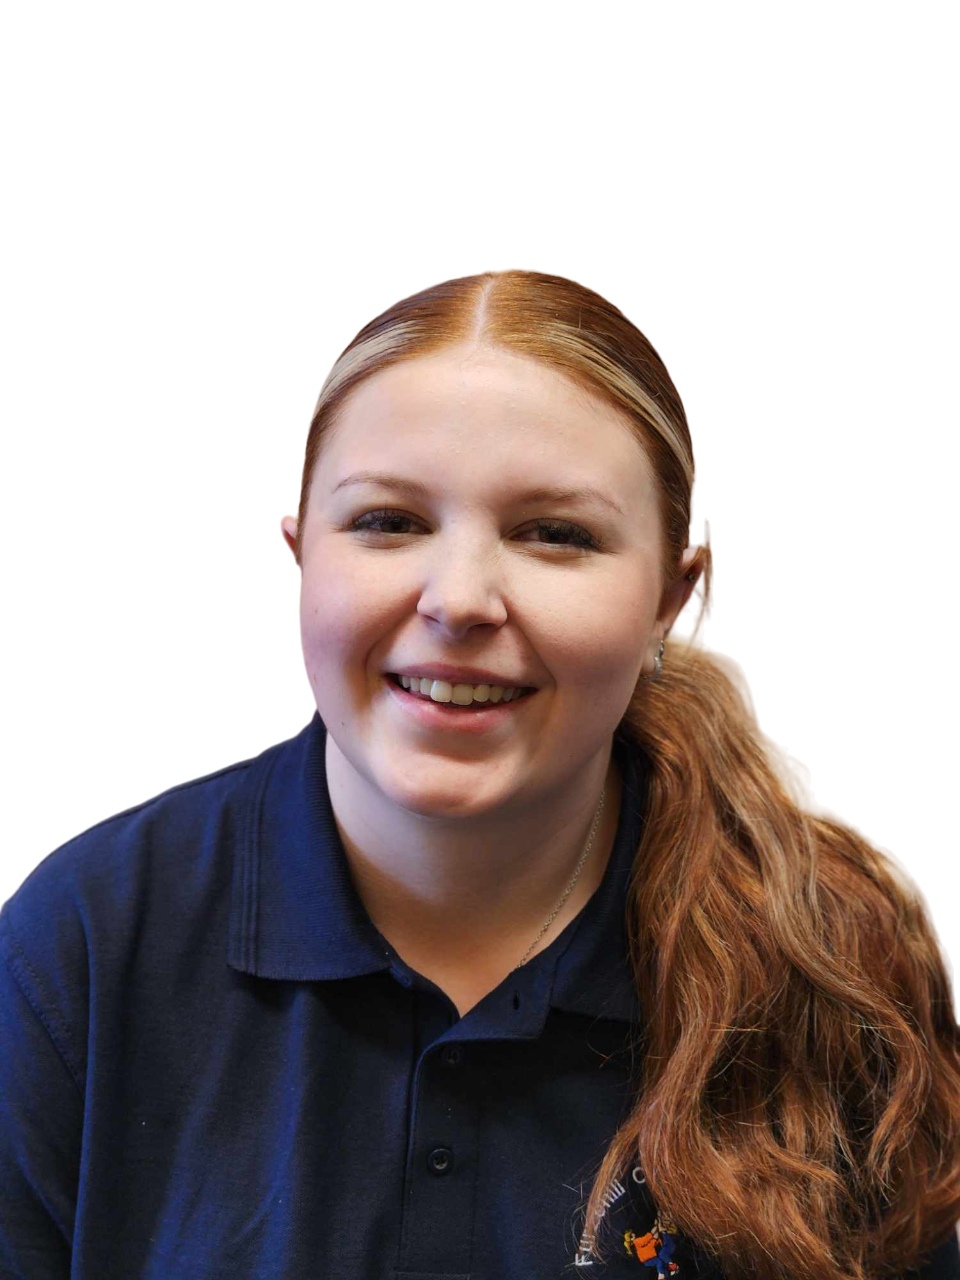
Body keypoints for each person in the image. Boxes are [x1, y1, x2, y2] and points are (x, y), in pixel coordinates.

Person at [1, 270, 957, 1280]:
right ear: (302, 552)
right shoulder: (84, 950)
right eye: (388, 521)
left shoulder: (833, 959)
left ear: (667, 600)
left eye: (556, 534)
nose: (458, 599)